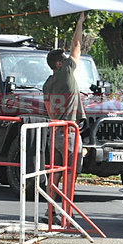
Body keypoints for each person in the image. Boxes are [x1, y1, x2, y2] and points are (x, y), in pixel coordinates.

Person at [43, 12, 86, 192]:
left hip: (55, 133)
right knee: (70, 173)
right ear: (60, 64)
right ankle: (67, 212)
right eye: (64, 58)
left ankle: (50, 209)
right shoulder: (67, 73)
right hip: (69, 132)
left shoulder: (47, 84)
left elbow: (50, 111)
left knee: (55, 171)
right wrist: (80, 22)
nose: (68, 58)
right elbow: (76, 45)